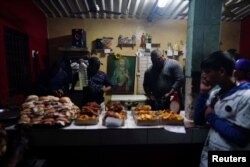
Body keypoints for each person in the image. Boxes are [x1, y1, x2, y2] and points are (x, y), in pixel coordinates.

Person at [193, 51, 250, 167]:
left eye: (207, 72)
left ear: (222, 72)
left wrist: (211, 117)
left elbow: (242, 138)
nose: (203, 75)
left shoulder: (246, 96)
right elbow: (199, 120)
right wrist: (203, 92)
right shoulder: (215, 93)